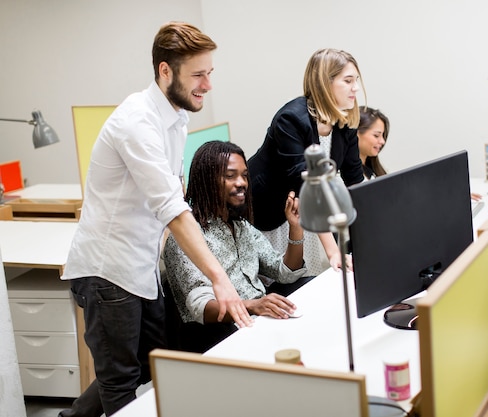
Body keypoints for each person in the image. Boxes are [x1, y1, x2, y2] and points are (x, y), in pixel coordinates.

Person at [59, 22, 252, 417]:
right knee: (120, 385)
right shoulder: (137, 122)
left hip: (141, 266)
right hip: (108, 270)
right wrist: (220, 279)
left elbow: (171, 200)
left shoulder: (176, 118)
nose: (207, 85)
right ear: (165, 72)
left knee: (151, 359)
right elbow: (173, 209)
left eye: (209, 74)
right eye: (198, 75)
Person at [163, 141, 309, 353]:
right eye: (230, 176)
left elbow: (285, 272)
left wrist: (295, 228)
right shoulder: (186, 236)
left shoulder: (241, 227)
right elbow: (200, 306)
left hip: (259, 320)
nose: (241, 182)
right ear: (207, 180)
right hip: (223, 334)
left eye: (244, 175)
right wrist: (252, 305)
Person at [248, 48, 365, 276]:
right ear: (325, 82)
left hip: (309, 208)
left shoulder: (344, 122)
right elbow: (305, 184)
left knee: (313, 274)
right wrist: (333, 251)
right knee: (283, 280)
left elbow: (355, 181)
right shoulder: (290, 119)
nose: (356, 88)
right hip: (272, 209)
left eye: (357, 81)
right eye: (348, 81)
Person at [357, 105, 390, 180]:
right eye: (376, 135)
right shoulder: (338, 175)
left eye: (383, 136)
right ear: (356, 133)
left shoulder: (375, 172)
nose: (382, 141)